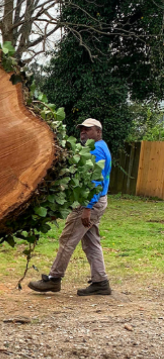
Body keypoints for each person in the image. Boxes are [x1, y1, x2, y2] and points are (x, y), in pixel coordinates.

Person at [29, 118, 112, 297]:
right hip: (98, 201)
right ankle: (101, 282)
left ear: (98, 132)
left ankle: (54, 279)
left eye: (88, 129)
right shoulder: (101, 146)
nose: (83, 132)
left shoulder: (96, 149)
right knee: (91, 242)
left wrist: (87, 207)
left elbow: (95, 180)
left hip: (91, 202)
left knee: (67, 239)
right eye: (82, 129)